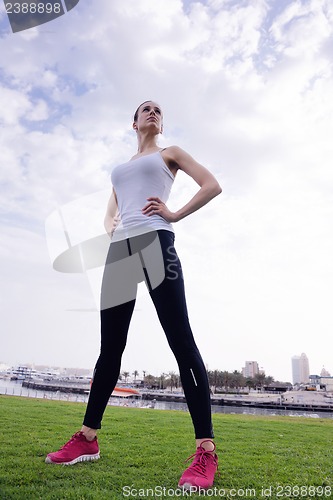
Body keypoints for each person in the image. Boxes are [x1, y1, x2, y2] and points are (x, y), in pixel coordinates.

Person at [45, 101, 222, 490]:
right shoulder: (123, 167)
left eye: (158, 109)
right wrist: (112, 227)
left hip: (157, 243)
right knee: (110, 348)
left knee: (181, 341)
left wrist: (173, 214)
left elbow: (212, 185)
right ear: (134, 122)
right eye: (146, 108)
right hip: (120, 253)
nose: (153, 112)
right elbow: (110, 213)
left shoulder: (169, 153)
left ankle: (205, 451)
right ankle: (88, 439)